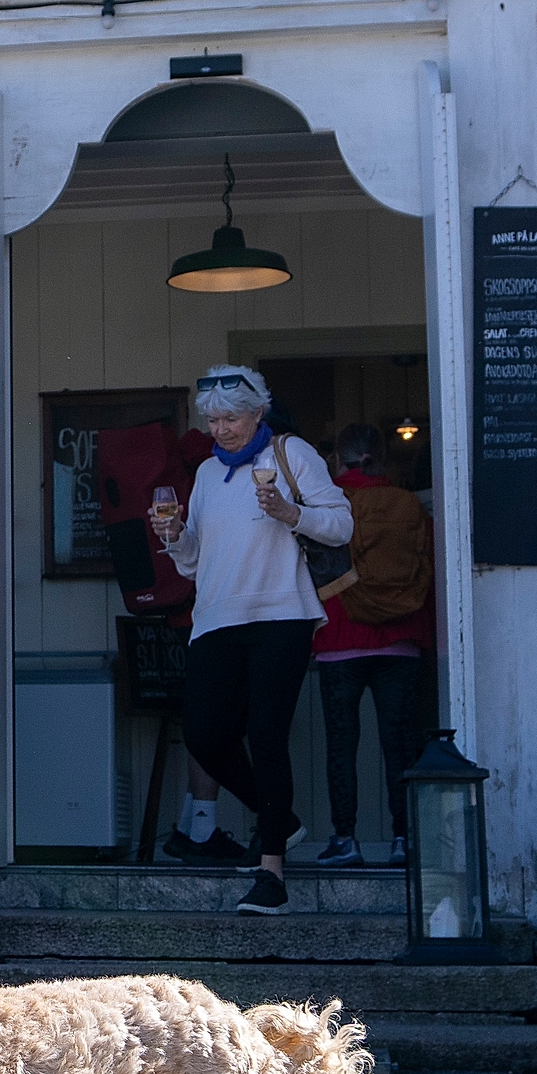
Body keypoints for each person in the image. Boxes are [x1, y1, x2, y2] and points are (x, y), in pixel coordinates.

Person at [148, 365, 352, 915]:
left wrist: (291, 512)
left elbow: (341, 525)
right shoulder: (209, 477)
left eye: (231, 418)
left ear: (258, 412)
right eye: (213, 420)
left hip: (281, 616)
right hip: (215, 619)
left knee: (266, 737)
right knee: (206, 736)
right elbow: (196, 563)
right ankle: (280, 820)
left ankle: (271, 873)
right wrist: (174, 538)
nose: (221, 429)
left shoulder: (292, 454)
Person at [308, 423, 434, 868]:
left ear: (338, 459)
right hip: (400, 637)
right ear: (382, 458)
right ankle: (404, 839)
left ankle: (346, 839)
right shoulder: (409, 506)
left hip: (340, 636)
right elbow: (429, 568)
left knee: (342, 743)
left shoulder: (328, 504)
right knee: (399, 742)